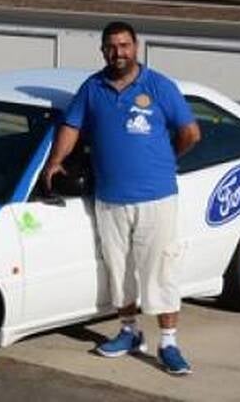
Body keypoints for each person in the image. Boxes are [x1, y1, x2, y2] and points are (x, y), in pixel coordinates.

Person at [42, 21, 201, 376]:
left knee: (160, 270)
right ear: (102, 50)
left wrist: (166, 160)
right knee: (119, 270)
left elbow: (190, 133)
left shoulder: (159, 86)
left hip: (156, 198)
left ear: (136, 46)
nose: (119, 53)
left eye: (124, 45)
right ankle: (129, 332)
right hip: (110, 198)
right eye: (112, 47)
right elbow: (71, 126)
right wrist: (55, 161)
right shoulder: (92, 88)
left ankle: (169, 343)